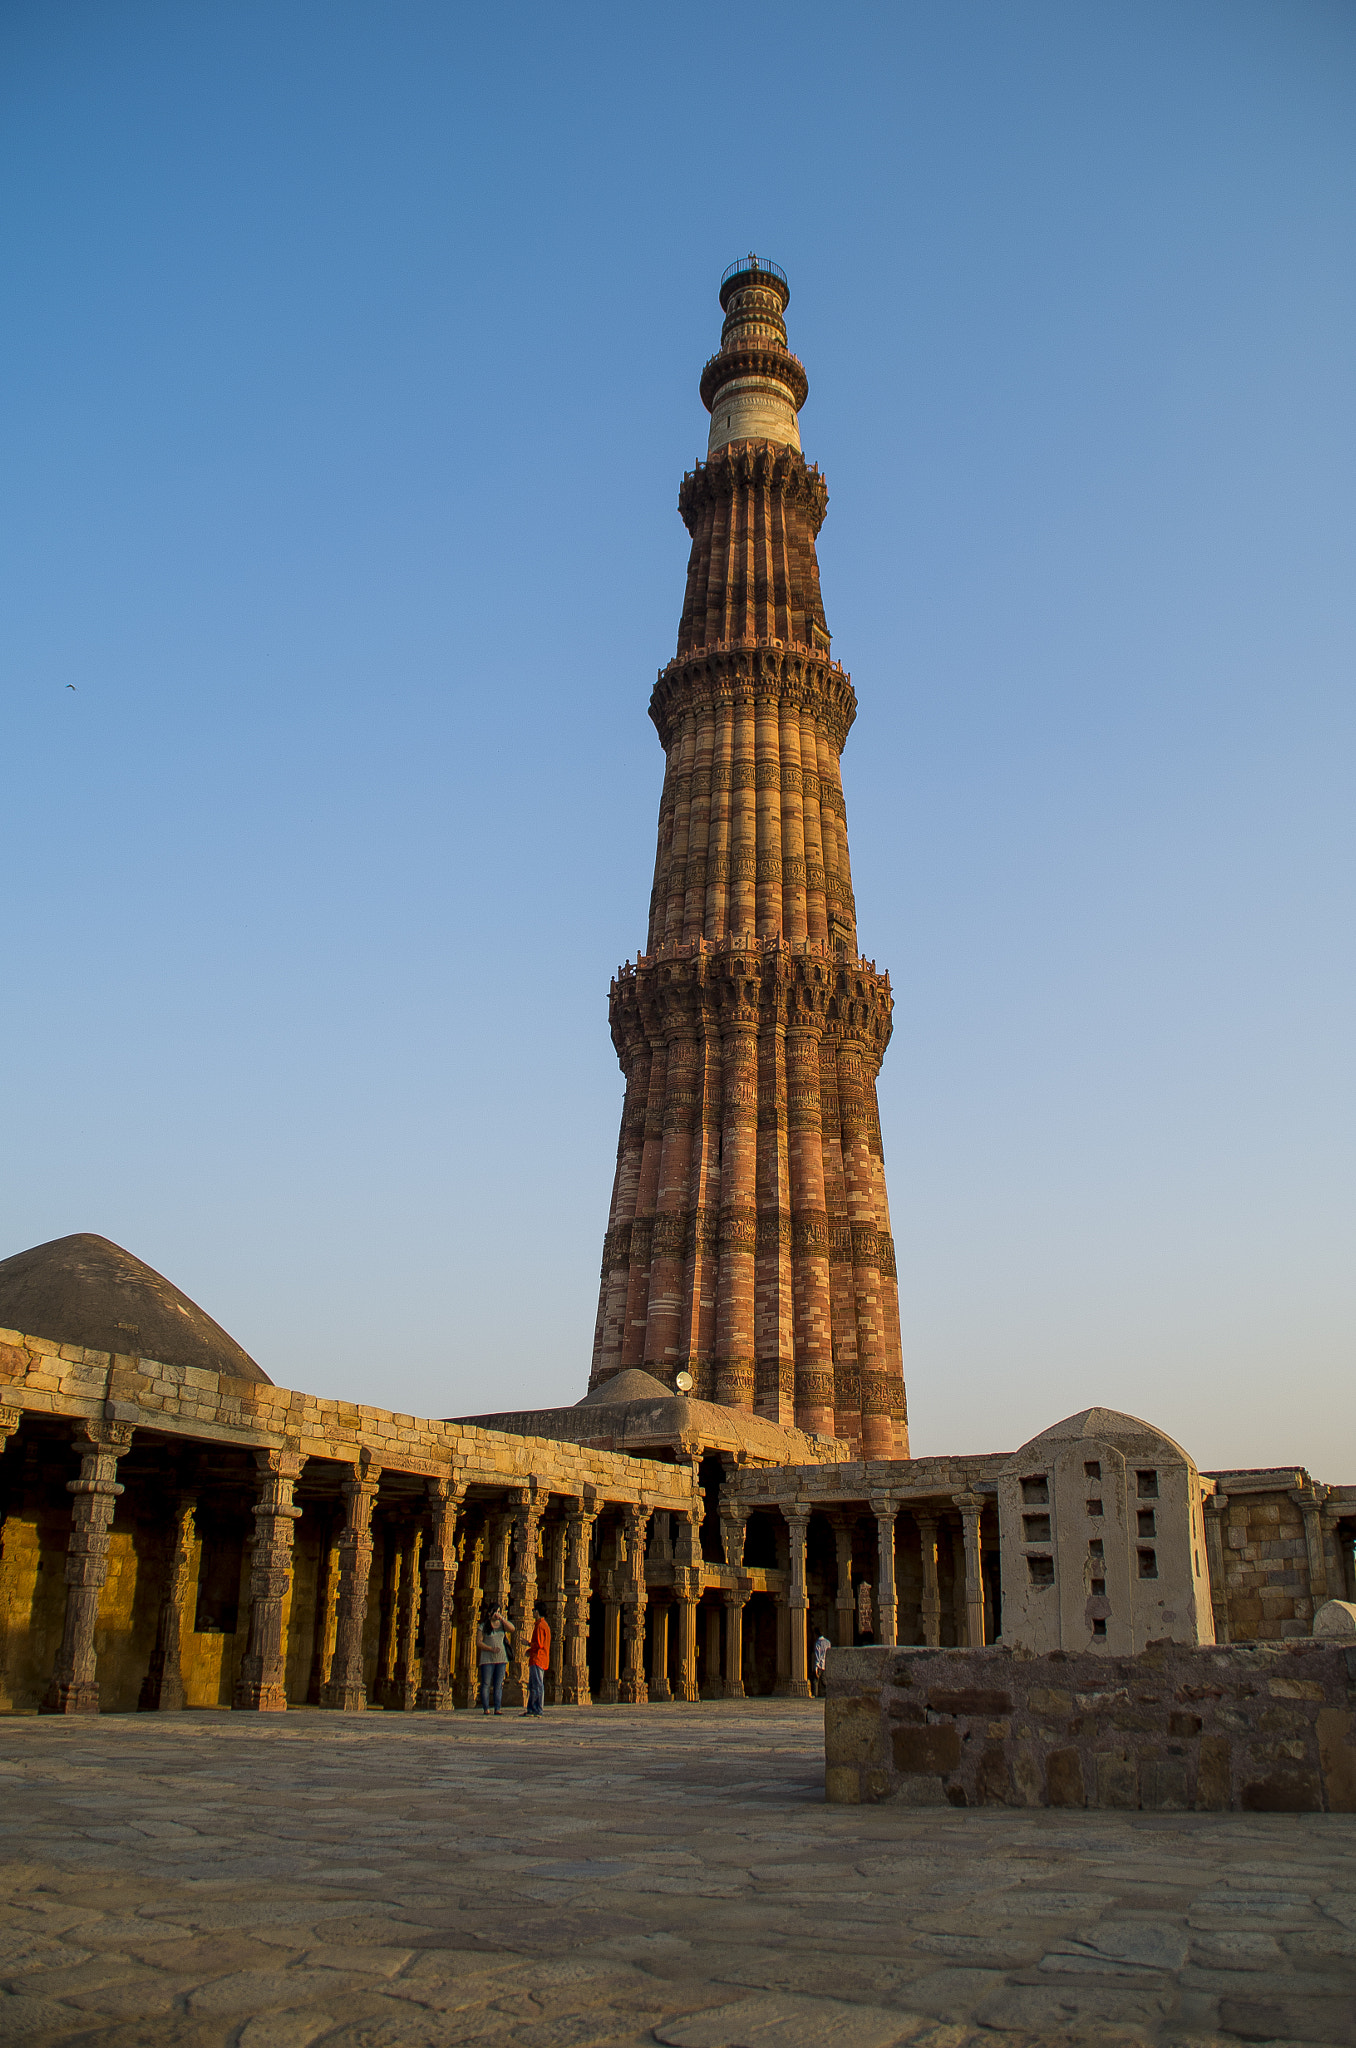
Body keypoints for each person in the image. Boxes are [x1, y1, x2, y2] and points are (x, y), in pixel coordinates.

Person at [477, 1605, 513, 1715]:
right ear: (489, 1613)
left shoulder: (502, 1625)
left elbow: (512, 1629)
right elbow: (478, 1642)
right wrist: (490, 1649)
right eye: (495, 1612)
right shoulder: (483, 1626)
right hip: (487, 1659)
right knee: (486, 1683)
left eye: (499, 1611)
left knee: (498, 1684)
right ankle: (486, 1708)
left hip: (501, 1658)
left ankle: (497, 1708)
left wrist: (502, 1618)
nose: (497, 1614)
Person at [521, 1599, 550, 1718]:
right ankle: (531, 1709)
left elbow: (539, 1644)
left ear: (537, 1612)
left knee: (537, 1685)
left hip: (538, 1659)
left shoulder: (540, 1626)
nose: (533, 1613)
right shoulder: (544, 1625)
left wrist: (527, 1644)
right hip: (540, 1658)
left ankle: (537, 1709)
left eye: (534, 1611)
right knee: (534, 1685)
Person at [812, 1630, 832, 1697]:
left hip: (820, 1664)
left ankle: (815, 1694)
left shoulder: (818, 1643)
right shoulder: (827, 1642)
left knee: (816, 1680)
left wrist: (816, 1667)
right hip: (825, 1663)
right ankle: (829, 1692)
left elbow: (818, 1655)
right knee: (823, 1680)